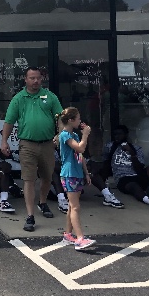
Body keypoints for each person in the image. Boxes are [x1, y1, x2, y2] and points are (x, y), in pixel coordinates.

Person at [0, 66, 63, 232]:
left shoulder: (50, 96)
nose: (36, 81)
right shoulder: (19, 98)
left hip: (48, 144)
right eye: (32, 78)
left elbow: (61, 118)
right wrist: (4, 141)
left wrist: (60, 134)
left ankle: (43, 202)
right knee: (28, 179)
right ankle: (30, 215)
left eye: (38, 78)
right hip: (27, 144)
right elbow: (9, 121)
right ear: (25, 79)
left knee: (47, 176)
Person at [100, 125, 149, 208]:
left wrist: (131, 152)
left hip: (139, 175)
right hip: (123, 178)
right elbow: (105, 163)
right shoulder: (109, 147)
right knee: (134, 186)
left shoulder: (136, 148)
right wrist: (103, 181)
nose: (117, 136)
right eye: (115, 134)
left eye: (120, 134)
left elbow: (140, 168)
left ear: (126, 135)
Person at [58, 107, 97, 250]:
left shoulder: (73, 135)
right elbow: (80, 148)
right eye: (78, 119)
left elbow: (80, 155)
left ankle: (68, 234)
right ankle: (80, 238)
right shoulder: (65, 135)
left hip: (77, 172)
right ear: (70, 120)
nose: (80, 121)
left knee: (71, 206)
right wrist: (85, 135)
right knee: (75, 207)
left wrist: (86, 173)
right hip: (69, 174)